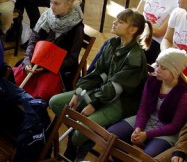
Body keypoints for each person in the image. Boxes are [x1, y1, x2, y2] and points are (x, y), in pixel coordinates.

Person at [48, 9, 150, 146]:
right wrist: (79, 93)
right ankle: (82, 137)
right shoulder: (112, 43)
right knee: (56, 102)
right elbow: (98, 73)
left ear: (132, 30)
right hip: (103, 92)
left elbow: (116, 87)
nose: (114, 23)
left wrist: (93, 104)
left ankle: (79, 145)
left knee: (80, 132)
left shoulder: (135, 57)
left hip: (121, 102)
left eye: (120, 22)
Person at [108, 48, 187, 162]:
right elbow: (143, 108)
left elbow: (175, 126)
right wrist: (139, 128)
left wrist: (147, 134)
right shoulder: (153, 80)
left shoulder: (185, 94)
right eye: (158, 65)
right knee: (113, 133)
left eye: (163, 68)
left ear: (174, 71)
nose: (157, 70)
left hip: (167, 131)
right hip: (148, 120)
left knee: (148, 156)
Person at [13, 0, 85, 101]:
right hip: (36, 62)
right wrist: (27, 60)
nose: (52, 6)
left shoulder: (77, 28)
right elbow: (33, 40)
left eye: (56, 3)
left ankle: (32, 110)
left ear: (68, 4)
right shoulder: (47, 16)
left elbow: (72, 59)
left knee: (42, 91)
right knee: (15, 80)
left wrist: (47, 67)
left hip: (56, 70)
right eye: (51, 2)